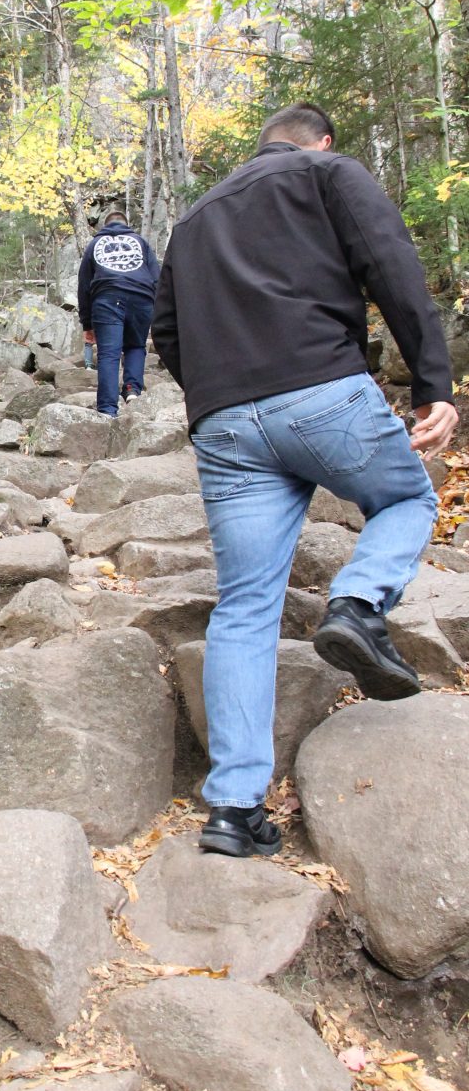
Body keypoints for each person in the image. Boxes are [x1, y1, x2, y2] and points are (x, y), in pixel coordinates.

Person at [151, 102, 458, 859]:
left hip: (223, 420)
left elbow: (166, 330)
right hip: (322, 390)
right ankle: (357, 604)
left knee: (245, 608)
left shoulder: (192, 224)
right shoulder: (328, 174)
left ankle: (233, 811)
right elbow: (391, 265)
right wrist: (433, 383)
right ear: (320, 141)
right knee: (408, 497)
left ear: (258, 149)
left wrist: (219, 392)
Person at [78, 201, 160, 416]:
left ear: (104, 226)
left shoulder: (94, 245)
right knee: (135, 345)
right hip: (141, 298)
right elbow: (157, 278)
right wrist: (157, 310)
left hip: (107, 297)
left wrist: (87, 324)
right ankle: (133, 389)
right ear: (126, 225)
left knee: (109, 353)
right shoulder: (140, 241)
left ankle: (107, 409)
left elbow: (84, 285)